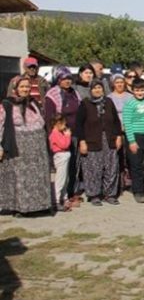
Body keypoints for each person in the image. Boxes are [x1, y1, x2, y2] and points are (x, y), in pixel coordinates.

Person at [0, 78, 52, 215]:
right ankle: (21, 208)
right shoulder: (6, 104)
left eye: (28, 87)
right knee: (19, 179)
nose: (25, 89)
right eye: (22, 87)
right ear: (15, 88)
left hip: (37, 147)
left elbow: (41, 122)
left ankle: (40, 206)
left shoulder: (33, 103)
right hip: (18, 146)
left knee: (38, 177)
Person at [76, 79, 123, 206]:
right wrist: (82, 141)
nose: (97, 90)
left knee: (111, 167)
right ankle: (94, 194)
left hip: (109, 139)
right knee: (93, 169)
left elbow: (116, 121)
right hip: (92, 140)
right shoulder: (85, 104)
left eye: (100, 88)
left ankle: (110, 194)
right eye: (94, 88)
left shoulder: (109, 102)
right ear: (90, 90)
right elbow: (79, 125)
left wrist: (118, 136)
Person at [44, 67, 82, 203]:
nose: (67, 81)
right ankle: (60, 197)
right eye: (64, 78)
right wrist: (55, 137)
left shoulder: (75, 93)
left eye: (69, 78)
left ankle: (72, 192)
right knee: (62, 169)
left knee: (74, 165)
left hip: (75, 133)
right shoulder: (52, 95)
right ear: (58, 79)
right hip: (60, 136)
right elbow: (50, 119)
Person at [49, 114, 72, 211]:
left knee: (65, 178)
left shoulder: (59, 132)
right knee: (60, 179)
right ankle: (56, 200)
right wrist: (68, 136)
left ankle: (64, 197)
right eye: (63, 125)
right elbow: (64, 145)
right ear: (58, 123)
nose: (65, 127)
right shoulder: (54, 134)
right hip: (60, 156)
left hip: (64, 156)